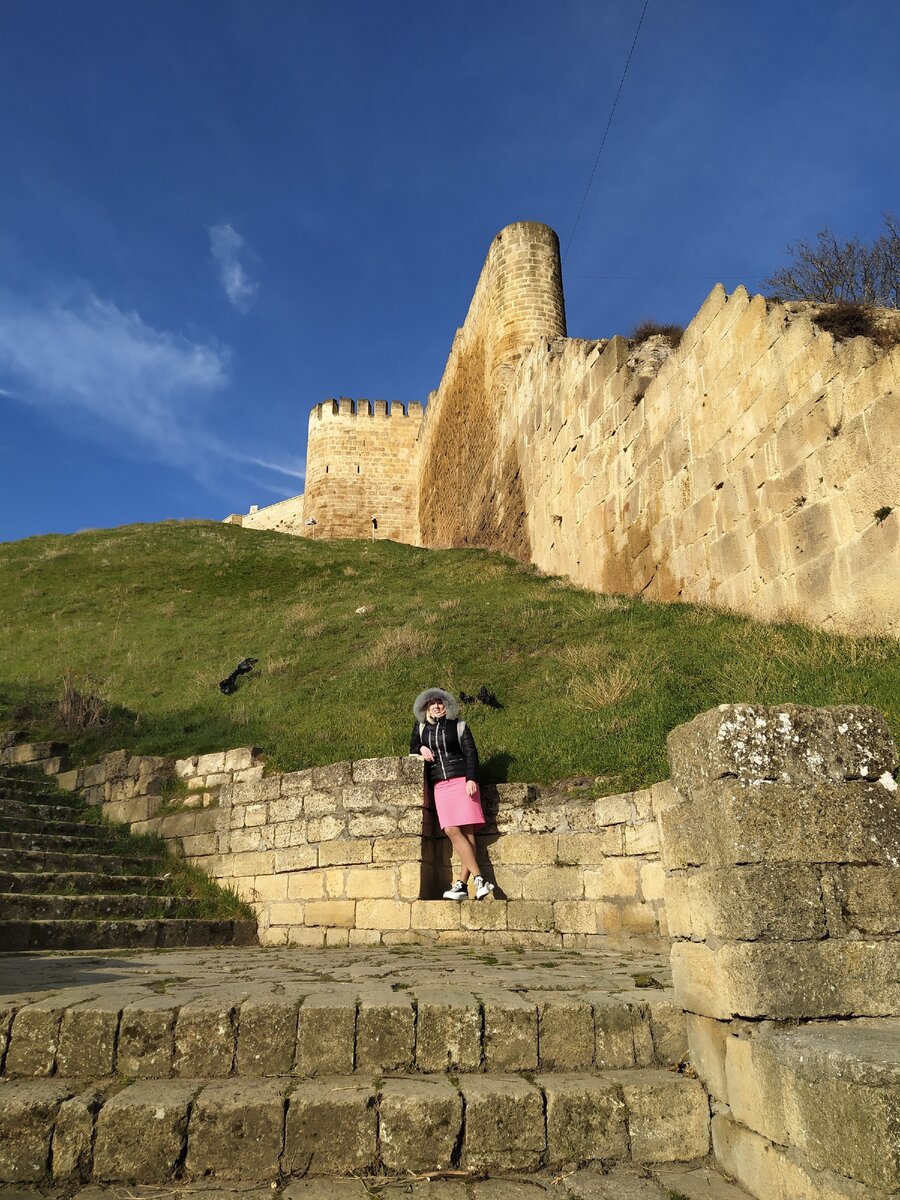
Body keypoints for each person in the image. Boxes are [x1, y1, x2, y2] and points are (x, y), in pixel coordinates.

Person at [410, 687, 494, 900]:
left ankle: (463, 885)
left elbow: (471, 753)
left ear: (446, 706)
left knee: (467, 833)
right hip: (440, 785)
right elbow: (411, 749)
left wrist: (472, 778)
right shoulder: (420, 729)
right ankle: (479, 878)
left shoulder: (458, 725)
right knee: (451, 830)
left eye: (440, 703)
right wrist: (420, 748)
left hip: (461, 782)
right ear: (426, 707)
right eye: (432, 703)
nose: (437, 706)